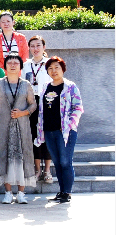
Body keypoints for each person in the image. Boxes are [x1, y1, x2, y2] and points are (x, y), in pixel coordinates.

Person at [0, 54, 37, 204]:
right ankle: (8, 192)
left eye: (16, 62)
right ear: (5, 66)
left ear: (21, 66)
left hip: (22, 126)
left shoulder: (26, 84)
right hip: (3, 126)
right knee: (4, 155)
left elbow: (33, 104)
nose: (13, 65)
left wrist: (23, 113)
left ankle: (21, 193)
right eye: (10, 62)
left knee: (23, 156)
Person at [36, 57, 83, 204]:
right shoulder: (45, 87)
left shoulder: (70, 87)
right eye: (50, 68)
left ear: (62, 69)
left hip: (65, 132)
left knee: (65, 162)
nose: (54, 71)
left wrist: (70, 124)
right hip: (48, 131)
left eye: (57, 67)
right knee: (56, 162)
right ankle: (61, 192)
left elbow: (78, 107)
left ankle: (67, 193)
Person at [24, 35, 54, 182]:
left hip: (47, 101)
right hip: (31, 102)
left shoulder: (50, 63)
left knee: (47, 135)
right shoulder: (25, 65)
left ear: (44, 47)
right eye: (32, 46)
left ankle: (47, 170)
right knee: (34, 135)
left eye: (38, 45)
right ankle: (37, 170)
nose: (35, 49)